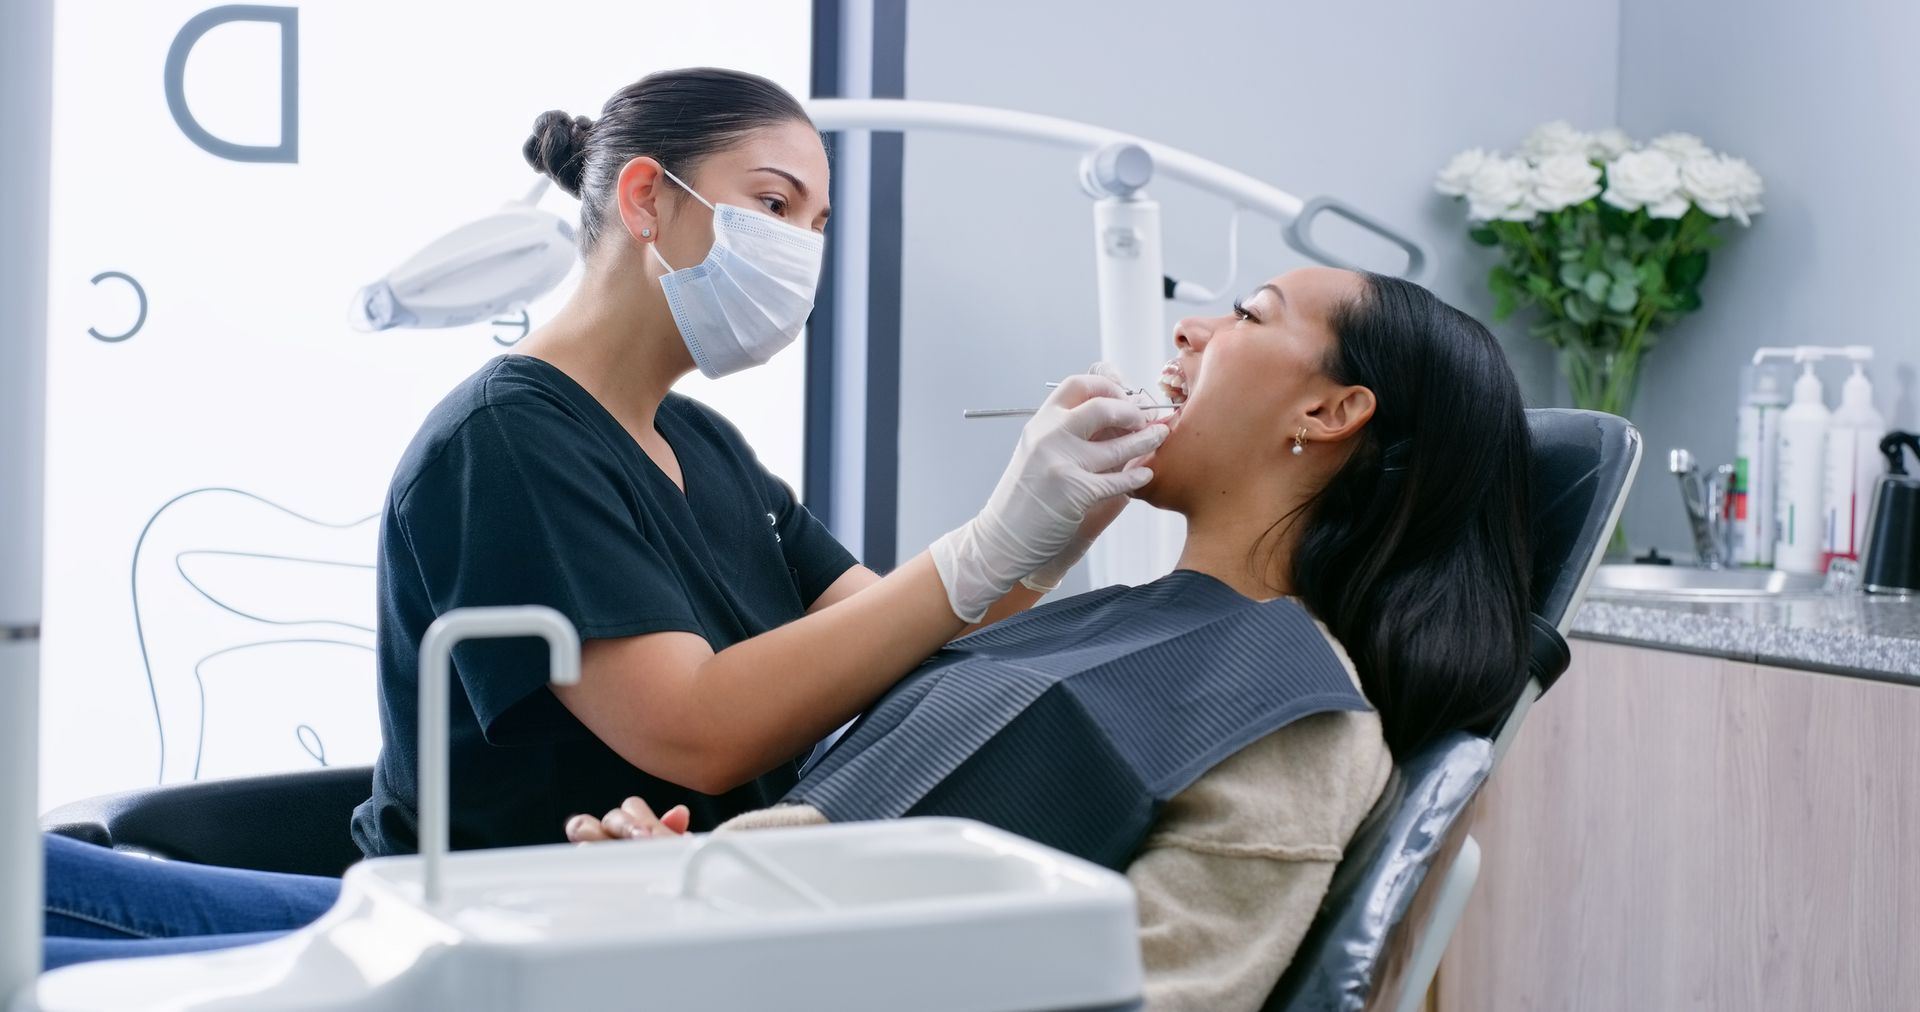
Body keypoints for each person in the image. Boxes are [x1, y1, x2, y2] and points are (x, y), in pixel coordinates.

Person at [41, 67, 1164, 969]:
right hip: (442, 943)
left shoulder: (707, 448)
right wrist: (988, 541)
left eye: (818, 222)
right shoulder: (507, 441)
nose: (804, 249)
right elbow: (695, 726)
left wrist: (1051, 516)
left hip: (606, 923)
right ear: (643, 198)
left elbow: (908, 635)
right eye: (775, 206)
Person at [566, 266, 1537, 1011]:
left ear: (1329, 412)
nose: (1188, 329)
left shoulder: (1298, 719)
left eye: (1247, 312)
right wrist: (679, 873)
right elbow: (860, 841)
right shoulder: (1103, 616)